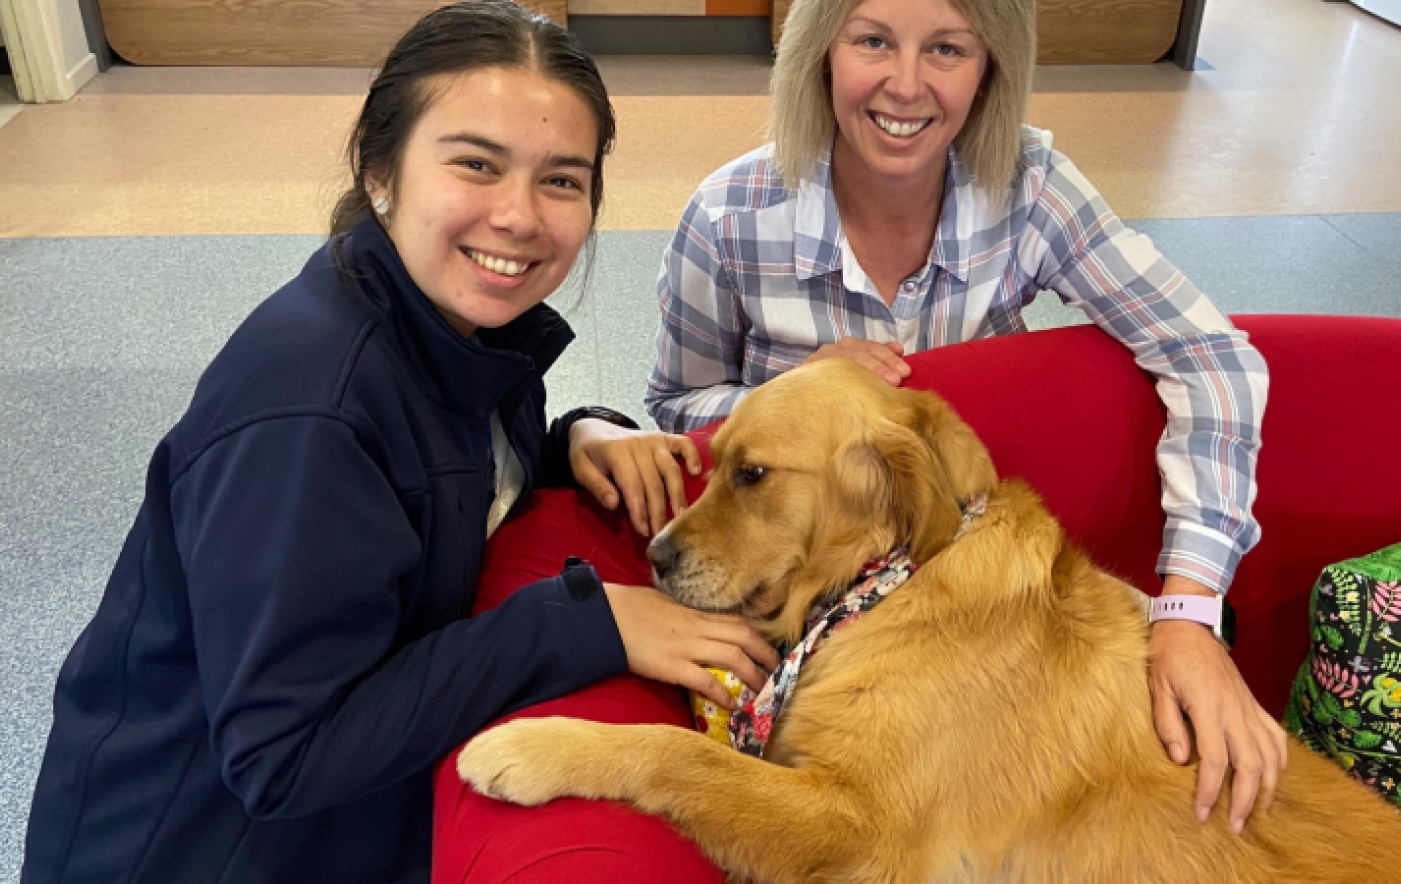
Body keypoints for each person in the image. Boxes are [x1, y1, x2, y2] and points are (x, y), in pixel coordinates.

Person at [21, 4, 776, 882]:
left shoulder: (453, 324)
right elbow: (283, 754)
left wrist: (574, 437)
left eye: (562, 180)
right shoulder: (310, 415)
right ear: (381, 171)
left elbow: (438, 490)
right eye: (476, 165)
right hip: (195, 850)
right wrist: (582, 627)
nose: (520, 216)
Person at [646, 0, 1285, 834]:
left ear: (990, 69)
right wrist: (789, 401)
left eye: (946, 48)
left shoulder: (1030, 190)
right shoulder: (729, 216)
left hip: (963, 595)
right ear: (820, 53)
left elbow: (1213, 356)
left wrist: (1191, 615)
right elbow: (670, 408)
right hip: (792, 591)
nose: (906, 86)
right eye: (872, 40)